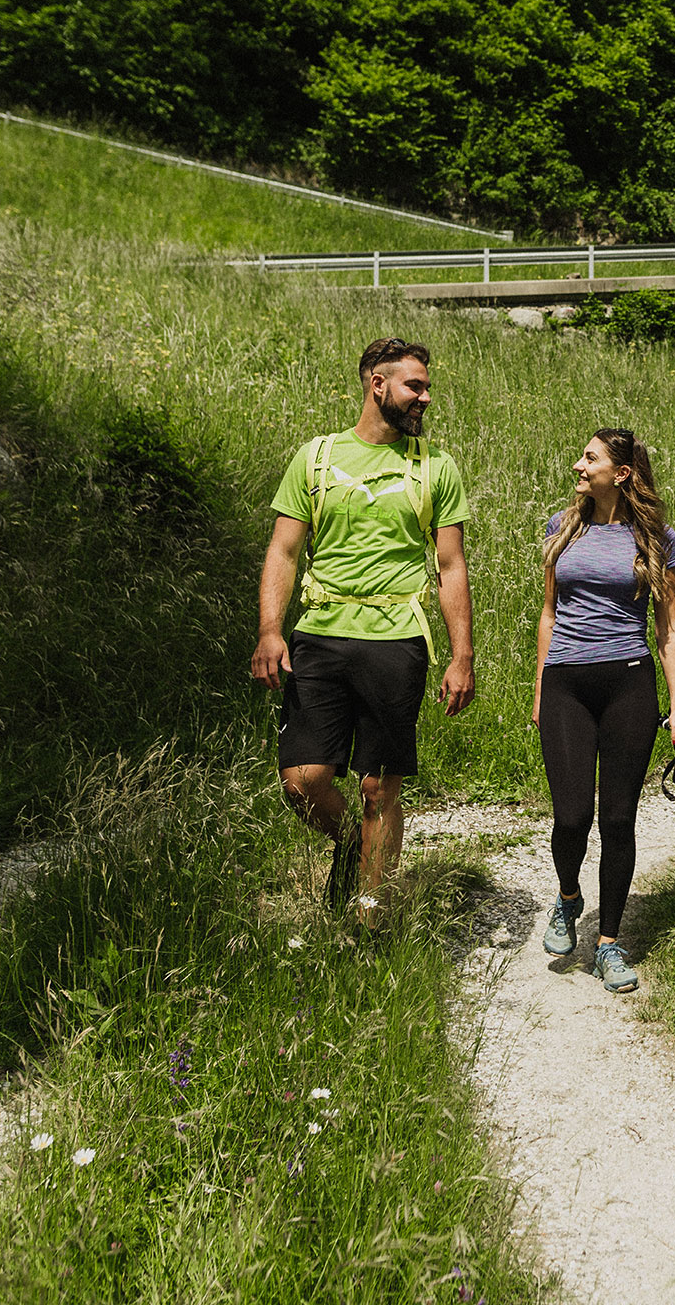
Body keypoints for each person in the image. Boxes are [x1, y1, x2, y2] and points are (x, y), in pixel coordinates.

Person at [249, 337, 476, 927]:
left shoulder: (436, 467)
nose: (426, 397)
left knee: (379, 786)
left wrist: (461, 656)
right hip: (319, 634)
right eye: (415, 386)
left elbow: (450, 566)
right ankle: (351, 842)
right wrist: (270, 631)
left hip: (398, 639)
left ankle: (370, 920)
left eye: (427, 387)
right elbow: (284, 548)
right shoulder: (317, 458)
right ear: (378, 384)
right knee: (301, 780)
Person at [534, 428, 675, 992]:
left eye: (590, 458)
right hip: (566, 686)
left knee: (618, 818)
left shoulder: (656, 538)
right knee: (572, 816)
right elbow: (548, 615)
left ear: (621, 473)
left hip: (629, 684)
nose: (579, 464)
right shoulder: (562, 527)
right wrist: (539, 692)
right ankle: (569, 896)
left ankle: (610, 944)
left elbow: (668, 628)